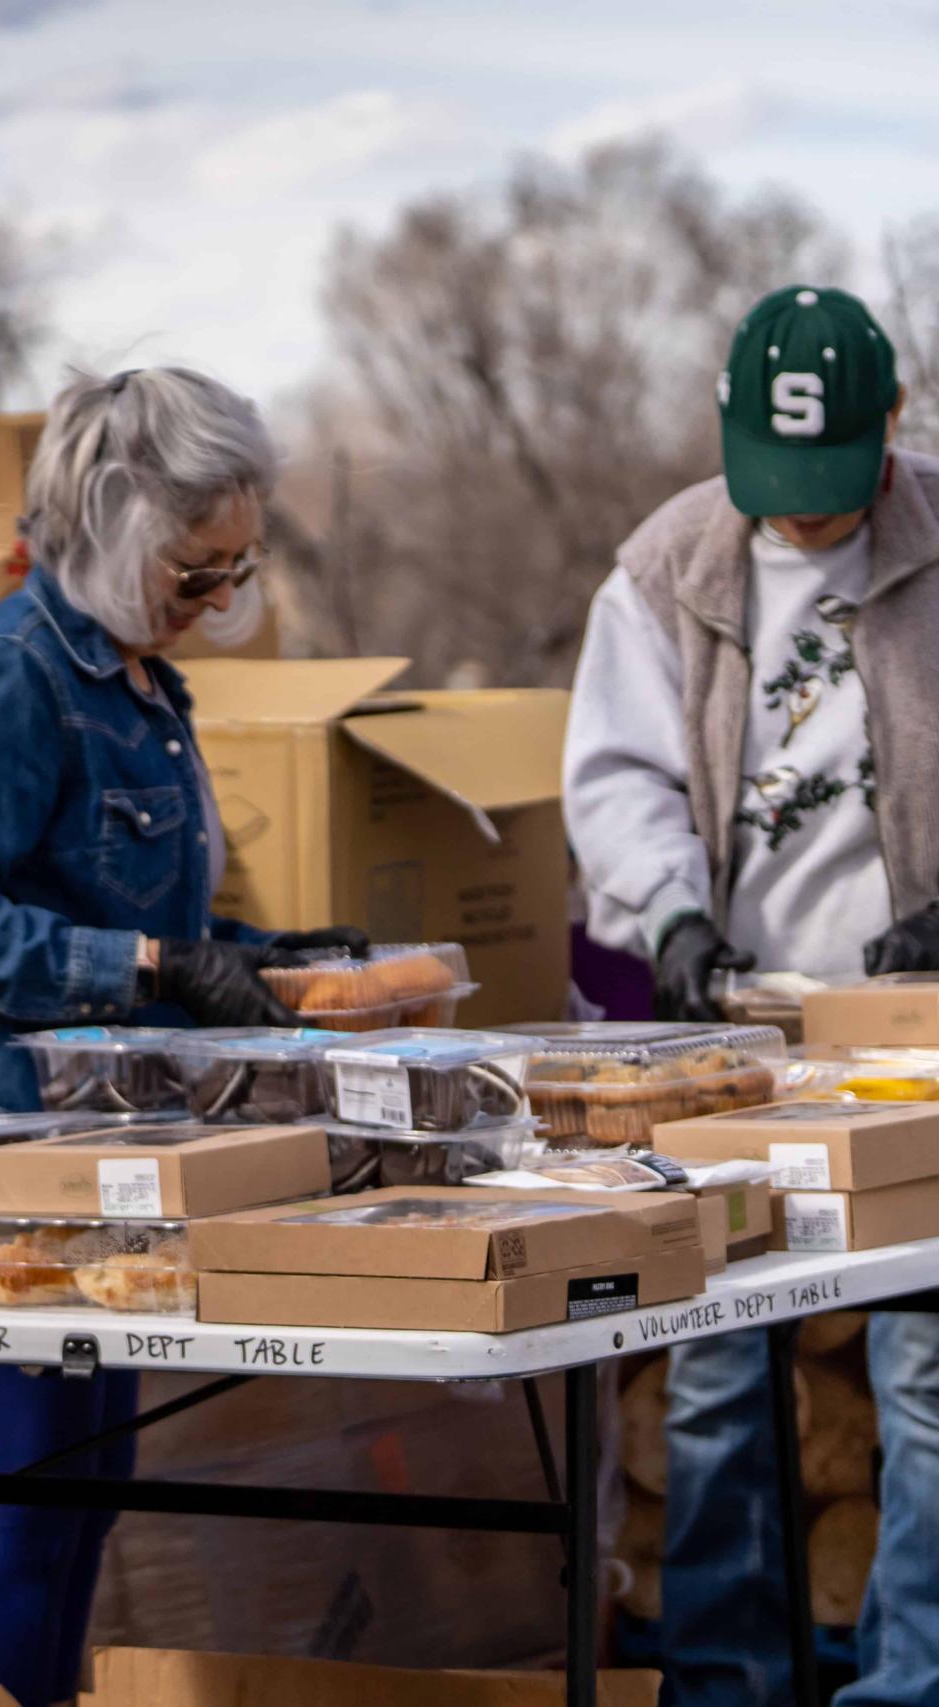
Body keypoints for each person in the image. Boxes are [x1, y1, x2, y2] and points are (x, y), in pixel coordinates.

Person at [0, 365, 367, 1707]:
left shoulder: (143, 682)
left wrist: (269, 965)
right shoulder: (13, 678)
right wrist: (151, 963)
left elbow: (141, 923)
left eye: (236, 572)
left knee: (89, 1491)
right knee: (25, 1506)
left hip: (97, 1150)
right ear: (115, 536)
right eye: (196, 574)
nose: (218, 603)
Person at [567, 282, 939, 1707]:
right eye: (776, 490)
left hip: (918, 1055)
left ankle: (909, 1693)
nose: (801, 520)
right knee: (716, 1378)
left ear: (891, 426)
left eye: (830, 490)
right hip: (735, 1051)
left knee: (923, 1382)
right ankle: (727, 1686)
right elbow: (619, 776)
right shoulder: (670, 566)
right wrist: (666, 913)